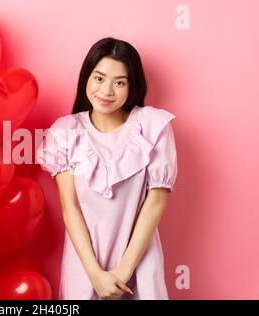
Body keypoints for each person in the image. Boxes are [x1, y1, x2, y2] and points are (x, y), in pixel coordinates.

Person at [36, 37, 177, 300]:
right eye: (99, 78)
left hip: (140, 260)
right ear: (86, 78)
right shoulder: (65, 132)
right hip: (86, 263)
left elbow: (156, 203)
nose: (107, 90)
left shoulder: (153, 126)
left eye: (119, 82)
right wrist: (95, 274)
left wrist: (123, 271)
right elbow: (71, 208)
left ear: (132, 86)